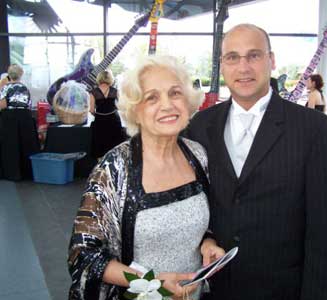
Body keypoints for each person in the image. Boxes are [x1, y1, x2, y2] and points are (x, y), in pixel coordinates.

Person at [186, 23, 327, 300]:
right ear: (222, 65)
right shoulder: (201, 125)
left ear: (271, 61)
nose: (243, 67)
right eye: (232, 57)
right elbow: (194, 200)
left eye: (254, 55)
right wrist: (206, 239)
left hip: (282, 289)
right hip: (215, 287)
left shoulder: (313, 128)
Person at [68, 55, 225, 300]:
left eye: (175, 93)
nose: (167, 105)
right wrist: (149, 282)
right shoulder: (115, 168)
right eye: (152, 97)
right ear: (136, 110)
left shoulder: (198, 155)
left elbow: (204, 221)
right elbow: (83, 255)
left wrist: (207, 242)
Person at [0, 63, 39, 180]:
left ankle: (12, 173)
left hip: (10, 118)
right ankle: (27, 172)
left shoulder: (5, 88)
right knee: (25, 144)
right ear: (21, 74)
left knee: (10, 145)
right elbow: (28, 104)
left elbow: (2, 105)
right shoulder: (25, 88)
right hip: (25, 118)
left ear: (9, 75)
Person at [89, 69, 125, 159]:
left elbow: (91, 110)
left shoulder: (93, 92)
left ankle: (101, 168)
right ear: (110, 79)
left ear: (99, 78)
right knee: (114, 145)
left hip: (100, 121)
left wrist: (98, 115)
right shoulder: (115, 91)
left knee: (100, 146)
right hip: (114, 120)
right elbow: (122, 106)